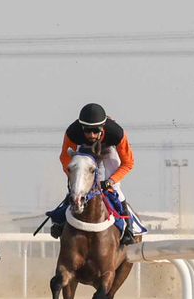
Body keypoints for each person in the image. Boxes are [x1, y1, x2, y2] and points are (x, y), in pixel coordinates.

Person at [48, 102, 143, 244]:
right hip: (84, 151)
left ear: (103, 127)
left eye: (95, 131)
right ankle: (60, 222)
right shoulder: (73, 132)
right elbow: (65, 159)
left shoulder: (116, 133)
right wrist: (78, 179)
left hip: (108, 149)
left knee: (115, 188)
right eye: (87, 131)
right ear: (81, 127)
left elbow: (128, 163)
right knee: (77, 188)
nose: (91, 135)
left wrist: (110, 181)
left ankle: (129, 228)